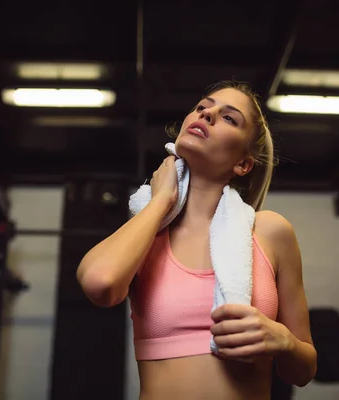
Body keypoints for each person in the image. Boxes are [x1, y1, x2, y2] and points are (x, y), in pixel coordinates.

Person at [77, 80, 317, 400]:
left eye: (229, 118)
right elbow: (100, 284)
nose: (207, 114)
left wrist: (284, 341)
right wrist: (161, 199)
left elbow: (303, 371)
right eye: (202, 107)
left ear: (243, 163)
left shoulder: (270, 233)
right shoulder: (146, 235)